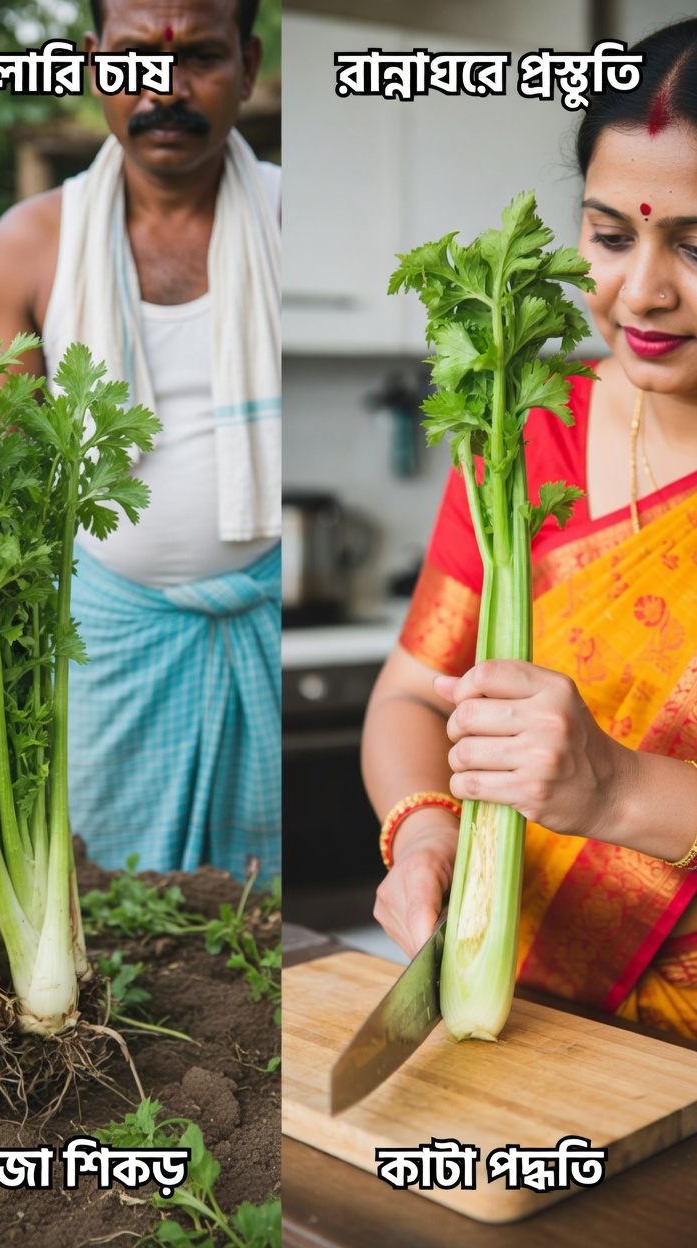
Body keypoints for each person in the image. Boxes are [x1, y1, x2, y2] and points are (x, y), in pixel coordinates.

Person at [363, 18, 697, 1038]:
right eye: (611, 237)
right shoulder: (519, 430)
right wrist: (426, 832)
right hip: (532, 1021)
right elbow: (412, 695)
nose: (642, 291)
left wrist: (619, 789)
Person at [0, 0, 280, 883]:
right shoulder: (31, 243)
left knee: (266, 913)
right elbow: (2, 468)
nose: (164, 89)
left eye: (200, 58)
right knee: (110, 902)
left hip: (265, 626)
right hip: (104, 642)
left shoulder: (291, 216)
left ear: (249, 65)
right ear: (91, 62)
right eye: (135, 57)